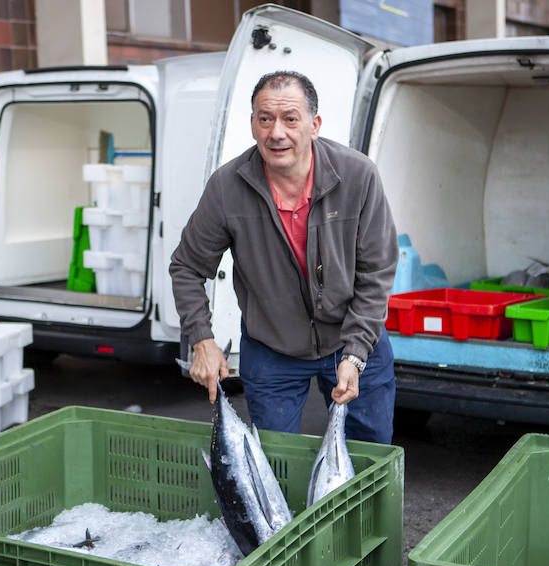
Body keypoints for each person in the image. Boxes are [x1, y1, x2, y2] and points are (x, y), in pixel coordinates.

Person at [169, 71, 398, 444]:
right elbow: (187, 267)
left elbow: (377, 272)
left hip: (352, 337)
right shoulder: (227, 188)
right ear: (253, 125)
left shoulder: (358, 176)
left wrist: (355, 354)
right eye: (265, 119)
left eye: (290, 119)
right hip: (271, 348)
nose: (277, 133)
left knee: (369, 453)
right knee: (277, 463)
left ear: (314, 125)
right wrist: (202, 340)